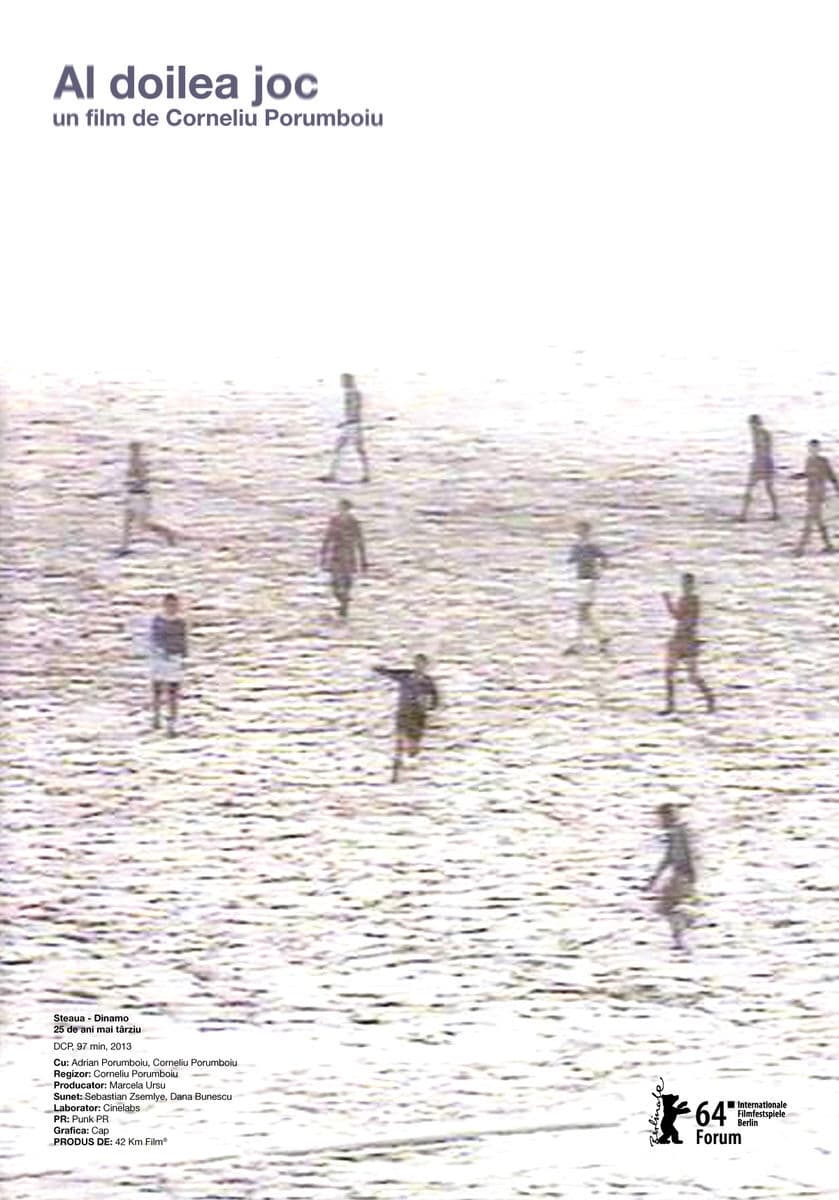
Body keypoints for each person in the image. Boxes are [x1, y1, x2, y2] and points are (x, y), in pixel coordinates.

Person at [373, 655, 439, 781]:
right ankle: (395, 772)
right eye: (417, 663)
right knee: (399, 741)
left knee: (413, 743)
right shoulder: (405, 676)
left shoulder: (428, 682)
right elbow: (390, 674)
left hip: (418, 714)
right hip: (403, 712)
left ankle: (411, 754)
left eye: (422, 664)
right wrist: (379, 670)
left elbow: (435, 699)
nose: (419, 666)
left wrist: (429, 707)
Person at [660, 573, 715, 715]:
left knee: (690, 675)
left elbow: (678, 616)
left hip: (685, 640)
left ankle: (709, 699)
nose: (686, 587)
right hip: (683, 639)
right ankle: (671, 705)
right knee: (671, 673)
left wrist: (667, 601)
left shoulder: (692, 601)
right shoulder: (689, 600)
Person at [645, 804, 696, 951]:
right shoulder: (676, 832)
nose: (659, 821)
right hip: (679, 873)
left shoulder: (679, 832)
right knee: (667, 907)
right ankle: (679, 936)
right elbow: (669, 856)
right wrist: (656, 876)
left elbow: (685, 855)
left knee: (667, 907)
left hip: (682, 873)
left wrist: (688, 876)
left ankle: (688, 924)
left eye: (661, 817)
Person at [118, 441, 176, 555]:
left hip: (140, 496)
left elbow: (141, 479)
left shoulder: (139, 464)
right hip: (132, 495)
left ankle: (168, 534)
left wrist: (133, 482)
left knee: (143, 524)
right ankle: (125, 547)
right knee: (127, 522)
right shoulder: (132, 463)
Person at [563, 520, 609, 654]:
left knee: (583, 611)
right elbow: (571, 560)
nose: (577, 532)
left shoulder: (591, 546)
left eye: (580, 529)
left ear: (586, 531)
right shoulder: (577, 547)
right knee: (584, 611)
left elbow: (605, 559)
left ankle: (579, 643)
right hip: (580, 579)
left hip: (589, 580)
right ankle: (601, 637)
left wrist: (599, 570)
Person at [320, 499, 368, 617]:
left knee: (344, 580)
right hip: (339, 553)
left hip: (346, 553)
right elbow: (328, 537)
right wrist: (324, 553)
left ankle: (344, 602)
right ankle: (343, 600)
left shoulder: (353, 522)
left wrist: (363, 559)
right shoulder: (335, 521)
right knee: (337, 581)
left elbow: (360, 541)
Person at [792, 439, 839, 555]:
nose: (813, 450)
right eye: (811, 448)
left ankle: (800, 547)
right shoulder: (808, 460)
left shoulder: (823, 461)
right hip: (810, 493)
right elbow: (808, 474)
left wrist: (837, 489)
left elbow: (832, 476)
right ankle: (828, 545)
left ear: (819, 449)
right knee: (818, 521)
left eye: (815, 448)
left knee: (809, 520)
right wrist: (799, 476)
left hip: (819, 493)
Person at [150, 593, 187, 736]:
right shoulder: (158, 621)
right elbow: (153, 639)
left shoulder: (180, 623)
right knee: (157, 690)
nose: (172, 608)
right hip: (159, 658)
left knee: (173, 692)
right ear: (164, 605)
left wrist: (183, 658)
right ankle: (156, 717)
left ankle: (172, 722)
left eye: (174, 605)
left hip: (174, 659)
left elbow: (183, 641)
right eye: (169, 605)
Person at [322, 373, 371, 483]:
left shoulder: (352, 394)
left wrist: (347, 422)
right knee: (349, 449)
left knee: (353, 449)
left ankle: (333, 474)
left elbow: (353, 410)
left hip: (352, 425)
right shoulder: (353, 393)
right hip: (352, 425)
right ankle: (333, 474)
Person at [737, 414, 779, 521]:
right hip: (763, 462)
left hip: (763, 463)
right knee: (767, 489)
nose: (751, 427)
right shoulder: (758, 433)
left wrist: (758, 464)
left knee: (756, 488)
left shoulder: (761, 434)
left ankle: (744, 514)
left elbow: (764, 450)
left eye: (752, 424)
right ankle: (774, 512)